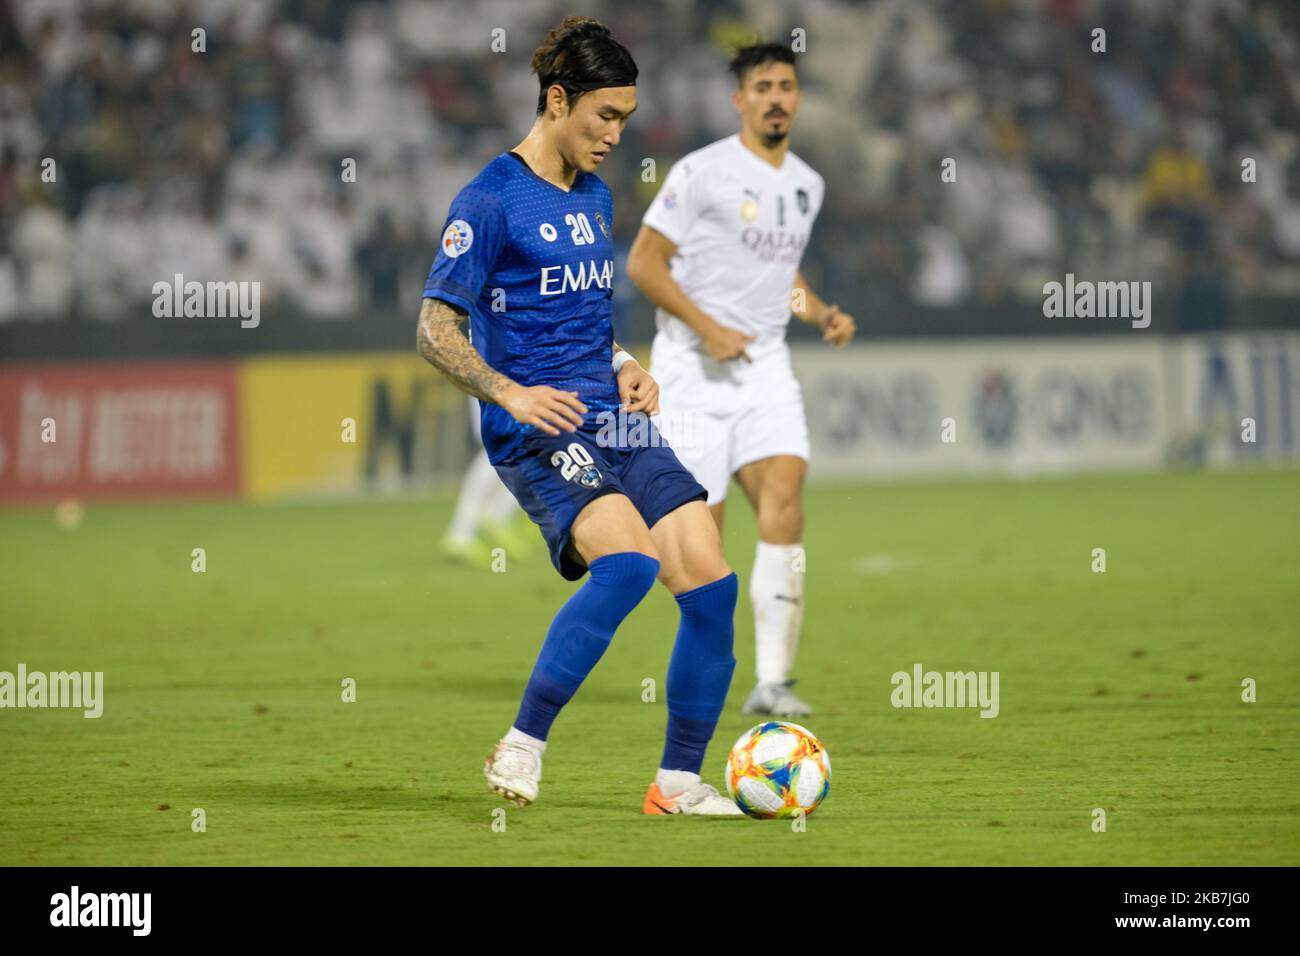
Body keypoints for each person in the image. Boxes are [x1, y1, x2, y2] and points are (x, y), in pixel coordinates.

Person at [417, 16, 741, 815]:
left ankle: (677, 785)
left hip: (611, 413)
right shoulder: (490, 199)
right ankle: (523, 744)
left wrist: (629, 367)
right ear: (557, 100)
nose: (614, 136)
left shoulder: (594, 198)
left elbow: (587, 324)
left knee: (710, 584)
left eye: (625, 120)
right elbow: (432, 329)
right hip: (538, 427)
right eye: (604, 116)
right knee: (629, 566)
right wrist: (508, 393)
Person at [628, 42, 857, 717]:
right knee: (703, 551)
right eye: (763, 86)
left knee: (785, 507)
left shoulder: (807, 185)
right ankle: (707, 672)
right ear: (741, 100)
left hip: (765, 371)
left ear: (799, 97)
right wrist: (708, 328)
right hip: (690, 375)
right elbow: (644, 264)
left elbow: (779, 275)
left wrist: (818, 312)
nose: (776, 97)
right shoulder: (701, 172)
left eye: (786, 85)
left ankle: (775, 683)